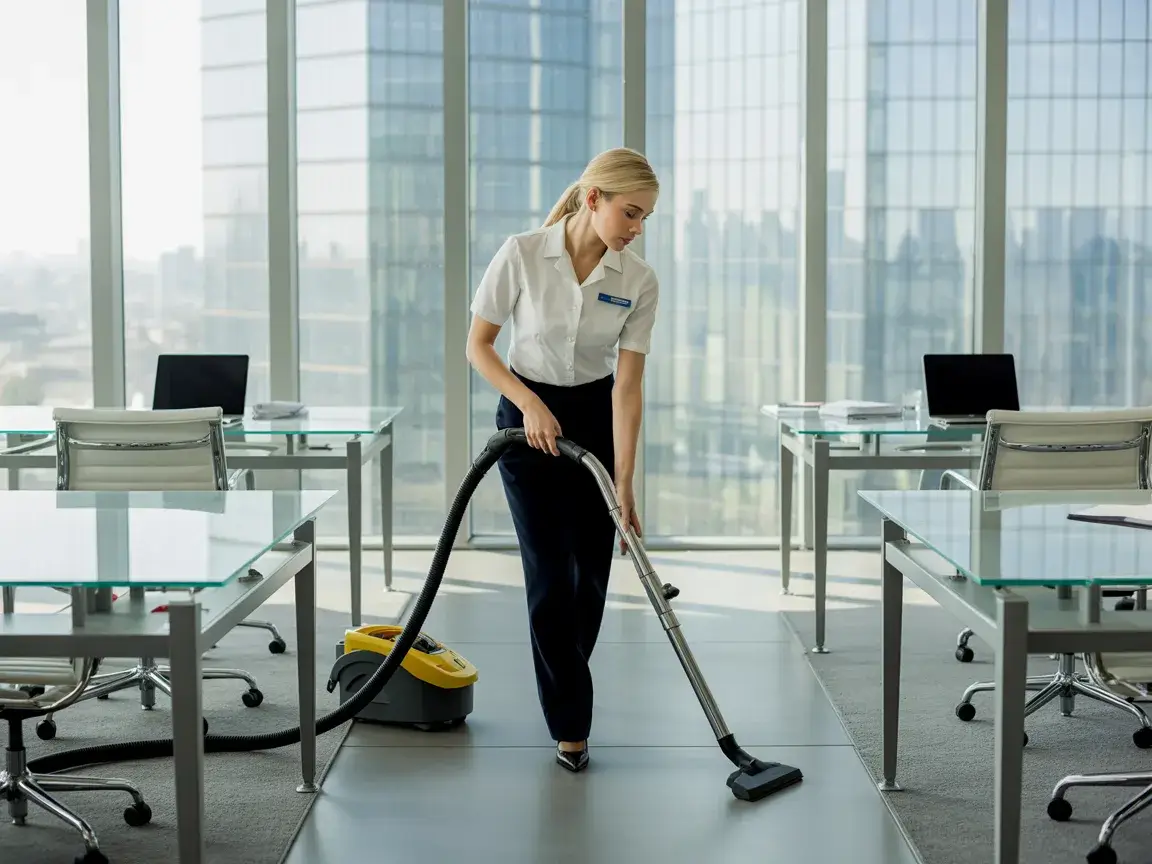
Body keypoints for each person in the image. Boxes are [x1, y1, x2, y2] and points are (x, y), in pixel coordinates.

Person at [466, 147, 660, 773]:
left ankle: (565, 687)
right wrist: (527, 404)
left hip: (594, 421)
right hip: (526, 422)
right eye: (631, 213)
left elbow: (627, 388)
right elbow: (479, 345)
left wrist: (625, 483)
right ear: (594, 197)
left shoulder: (638, 280)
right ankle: (572, 723)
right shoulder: (522, 253)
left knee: (590, 581)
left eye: (645, 219)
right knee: (551, 576)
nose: (636, 229)